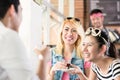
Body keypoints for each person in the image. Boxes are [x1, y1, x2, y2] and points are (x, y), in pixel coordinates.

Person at [0, 0, 47, 80]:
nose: (22, 18)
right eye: (21, 10)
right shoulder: (8, 37)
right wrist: (43, 57)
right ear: (12, 10)